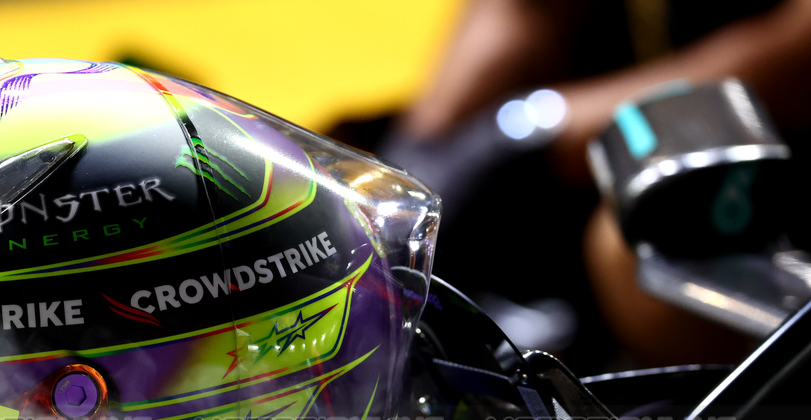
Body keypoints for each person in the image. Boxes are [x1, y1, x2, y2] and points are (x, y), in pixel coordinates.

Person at [336, 0, 811, 366]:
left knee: (633, 243)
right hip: (592, 153)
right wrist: (418, 160)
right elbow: (525, 12)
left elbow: (794, 53)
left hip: (760, 171)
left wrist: (532, 126)